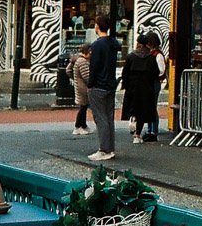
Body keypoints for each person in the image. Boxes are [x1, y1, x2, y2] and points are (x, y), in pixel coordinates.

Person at [86, 14, 119, 162]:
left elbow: (94, 67)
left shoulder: (97, 45)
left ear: (97, 27)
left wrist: (90, 83)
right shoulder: (113, 43)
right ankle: (110, 148)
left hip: (98, 85)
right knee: (109, 117)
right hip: (110, 84)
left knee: (100, 118)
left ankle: (104, 149)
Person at [120, 35, 160, 144]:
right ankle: (137, 134)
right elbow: (155, 73)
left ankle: (132, 119)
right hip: (145, 88)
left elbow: (125, 73)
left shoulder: (131, 56)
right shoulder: (150, 57)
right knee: (142, 111)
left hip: (132, 87)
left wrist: (125, 85)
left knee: (133, 107)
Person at [142, 30, 167, 141]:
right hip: (151, 82)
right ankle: (150, 130)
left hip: (154, 82)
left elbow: (161, 70)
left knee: (152, 107)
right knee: (149, 106)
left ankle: (153, 131)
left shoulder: (157, 55)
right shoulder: (153, 54)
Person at [68, 43, 92, 136]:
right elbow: (87, 76)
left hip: (79, 86)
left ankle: (83, 125)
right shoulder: (83, 61)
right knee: (83, 107)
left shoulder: (76, 60)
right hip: (83, 88)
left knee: (84, 106)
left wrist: (75, 78)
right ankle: (78, 126)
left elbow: (68, 70)